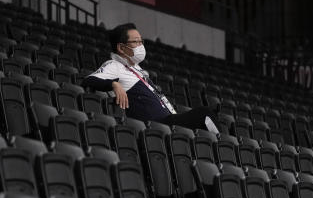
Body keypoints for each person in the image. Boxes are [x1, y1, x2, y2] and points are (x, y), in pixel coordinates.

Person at [82, 22, 220, 133]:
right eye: (136, 42)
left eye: (141, 41)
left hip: (169, 119)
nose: (141, 45)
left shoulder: (138, 69)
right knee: (204, 113)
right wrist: (114, 84)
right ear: (121, 47)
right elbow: (89, 80)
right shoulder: (114, 65)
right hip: (156, 125)